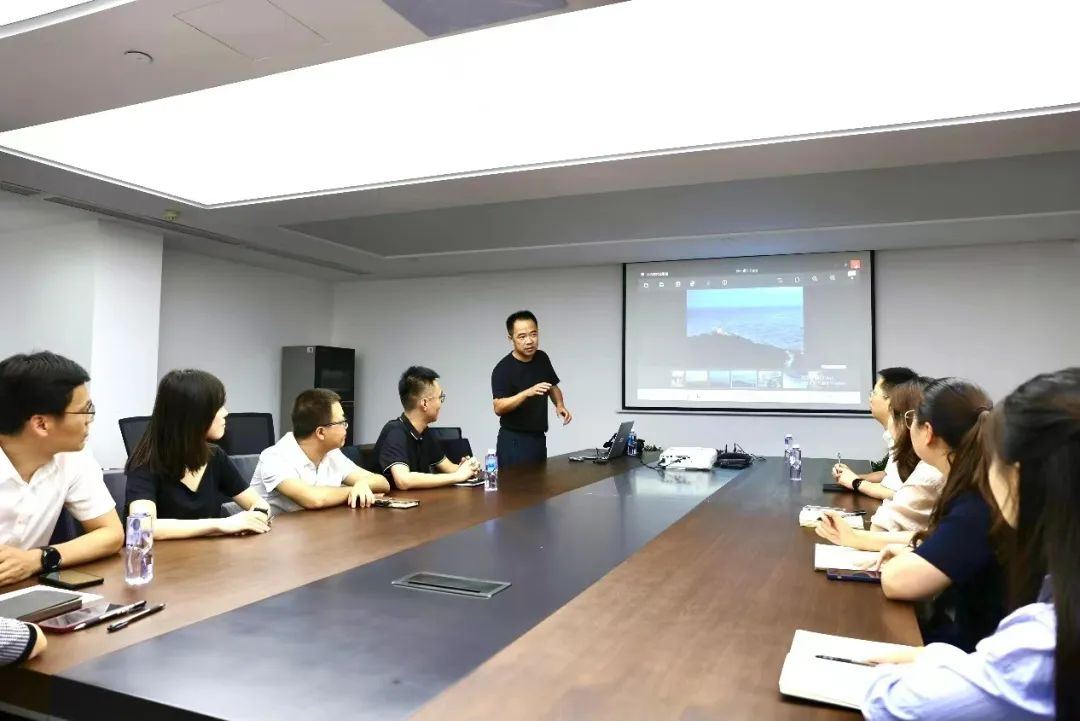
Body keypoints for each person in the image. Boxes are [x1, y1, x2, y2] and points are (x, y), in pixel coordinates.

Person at [862, 367, 1079, 720]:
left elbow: (889, 704)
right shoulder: (1055, 596)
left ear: (1017, 474)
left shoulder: (1045, 642)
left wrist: (937, 658)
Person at [866, 378, 1006, 653]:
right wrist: (918, 553)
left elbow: (896, 582)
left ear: (927, 432)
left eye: (911, 419)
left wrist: (909, 559)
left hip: (972, 655)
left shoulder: (975, 504)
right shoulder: (977, 486)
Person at [0, 352, 123, 586]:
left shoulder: (73, 458)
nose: (89, 419)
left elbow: (111, 534)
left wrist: (38, 559)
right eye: (84, 411)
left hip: (24, 591)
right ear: (41, 424)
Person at [125, 370, 271, 539]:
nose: (225, 413)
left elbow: (260, 504)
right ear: (194, 415)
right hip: (164, 556)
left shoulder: (214, 456)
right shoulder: (145, 462)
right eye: (218, 407)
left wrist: (257, 517)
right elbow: (141, 528)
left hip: (210, 553)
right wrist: (221, 524)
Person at [817, 379, 944, 542]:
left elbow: (882, 526)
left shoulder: (929, 473)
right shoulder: (932, 465)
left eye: (893, 414)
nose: (870, 397)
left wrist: (856, 482)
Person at [252, 389, 389, 512]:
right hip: (274, 531)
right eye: (341, 422)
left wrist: (362, 484)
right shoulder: (275, 457)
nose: (345, 427)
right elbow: (313, 499)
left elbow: (382, 483)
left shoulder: (332, 453)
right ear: (321, 432)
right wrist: (353, 490)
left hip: (316, 527)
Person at [373, 367, 480, 490]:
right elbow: (403, 481)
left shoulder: (424, 433)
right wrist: (457, 476)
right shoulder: (395, 432)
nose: (441, 403)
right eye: (440, 397)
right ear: (425, 403)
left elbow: (449, 468)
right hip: (391, 502)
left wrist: (467, 468)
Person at [491, 310, 572, 467]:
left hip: (538, 438)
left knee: (540, 482)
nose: (529, 341)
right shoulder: (503, 369)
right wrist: (527, 393)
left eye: (533, 334)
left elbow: (552, 386)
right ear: (511, 339)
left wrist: (560, 405)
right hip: (514, 441)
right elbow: (498, 407)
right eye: (522, 336)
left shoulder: (542, 358)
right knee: (514, 483)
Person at [832, 367, 920, 491]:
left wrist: (855, 482)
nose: (870, 398)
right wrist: (851, 477)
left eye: (874, 393)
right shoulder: (894, 434)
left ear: (891, 400)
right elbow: (889, 476)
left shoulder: (909, 437)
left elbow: (896, 492)